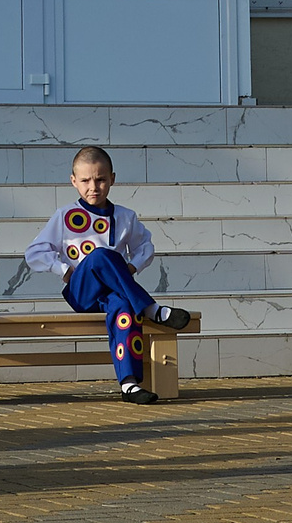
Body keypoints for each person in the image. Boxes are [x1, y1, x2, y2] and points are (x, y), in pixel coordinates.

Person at [22, 144, 196, 405]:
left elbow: (145, 246)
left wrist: (131, 267)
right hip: (82, 292)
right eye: (85, 180)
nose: (93, 187)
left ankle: (129, 384)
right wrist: (64, 269)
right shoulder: (65, 216)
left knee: (124, 309)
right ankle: (152, 309)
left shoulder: (125, 217)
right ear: (73, 182)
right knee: (101, 256)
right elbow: (34, 252)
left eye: (101, 179)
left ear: (112, 179)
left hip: (116, 291)